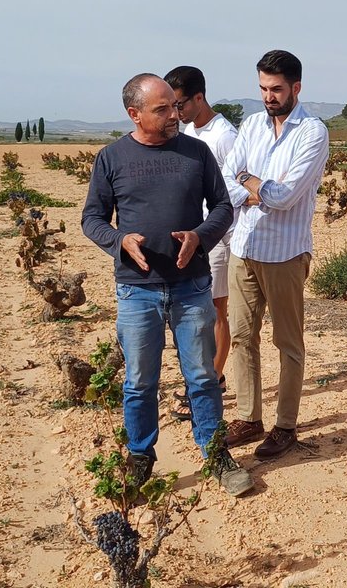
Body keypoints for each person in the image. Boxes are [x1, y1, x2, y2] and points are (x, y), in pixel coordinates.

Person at [81, 73, 254, 497]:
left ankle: (215, 454)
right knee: (140, 380)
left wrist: (200, 235)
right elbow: (92, 219)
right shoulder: (112, 158)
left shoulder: (196, 153)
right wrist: (119, 241)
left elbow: (222, 207)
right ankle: (141, 456)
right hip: (137, 289)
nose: (174, 115)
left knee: (201, 377)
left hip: (191, 286)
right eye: (161, 109)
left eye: (175, 106)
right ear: (134, 114)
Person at [221, 49, 330, 460]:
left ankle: (285, 426)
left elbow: (284, 198)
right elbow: (224, 182)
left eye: (277, 89)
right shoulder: (250, 125)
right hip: (244, 246)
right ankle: (248, 418)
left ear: (296, 88)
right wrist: (254, 188)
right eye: (263, 88)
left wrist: (248, 182)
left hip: (285, 252)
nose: (269, 96)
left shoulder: (312, 132)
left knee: (287, 342)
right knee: (240, 336)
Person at [163, 66, 239, 420]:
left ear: (199, 98)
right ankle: (206, 377)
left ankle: (216, 379)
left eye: (179, 105)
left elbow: (238, 189)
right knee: (200, 311)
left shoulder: (224, 136)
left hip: (221, 235)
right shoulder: (190, 132)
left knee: (216, 310)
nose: (175, 114)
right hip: (197, 236)